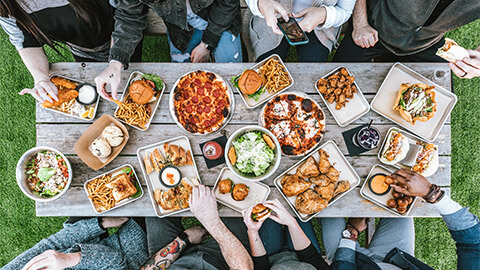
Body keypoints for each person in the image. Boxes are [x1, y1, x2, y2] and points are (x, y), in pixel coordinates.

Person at [321, 169, 480, 269]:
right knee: (398, 193)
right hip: (397, 259)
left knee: (324, 203)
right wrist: (431, 193)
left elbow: (343, 266)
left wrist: (352, 232)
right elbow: (474, 244)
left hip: (349, 261)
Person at [95, 0, 242, 100]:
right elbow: (129, 16)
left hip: (221, 21)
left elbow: (228, 3)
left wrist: (206, 45)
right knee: (184, 90)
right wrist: (115, 63)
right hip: (181, 29)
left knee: (233, 83)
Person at [0, 0, 142, 103]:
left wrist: (116, 61)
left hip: (121, 34)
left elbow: (129, 12)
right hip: (81, 49)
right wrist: (40, 78)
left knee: (131, 84)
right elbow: (25, 40)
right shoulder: (5, 5)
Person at [333, 0, 480, 79]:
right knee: (335, 78)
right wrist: (360, 23)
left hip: (427, 42)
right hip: (375, 25)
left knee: (437, 99)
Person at [142, 185, 253, 270]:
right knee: (238, 204)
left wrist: (184, 239)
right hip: (220, 261)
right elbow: (244, 268)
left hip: (170, 262)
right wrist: (212, 222)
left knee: (153, 202)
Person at [1, 217, 148, 270]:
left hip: (87, 241)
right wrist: (69, 259)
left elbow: (52, 244)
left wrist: (99, 224)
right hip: (129, 251)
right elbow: (117, 261)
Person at [245, 0, 356, 62]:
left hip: (320, 26)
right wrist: (261, 3)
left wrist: (324, 15)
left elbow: (344, 10)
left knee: (311, 71)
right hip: (271, 17)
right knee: (267, 70)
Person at [242, 199, 329, 269]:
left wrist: (252, 231)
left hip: (270, 257)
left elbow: (261, 265)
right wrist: (292, 223)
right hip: (306, 257)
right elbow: (311, 256)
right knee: (299, 205)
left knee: (262, 201)